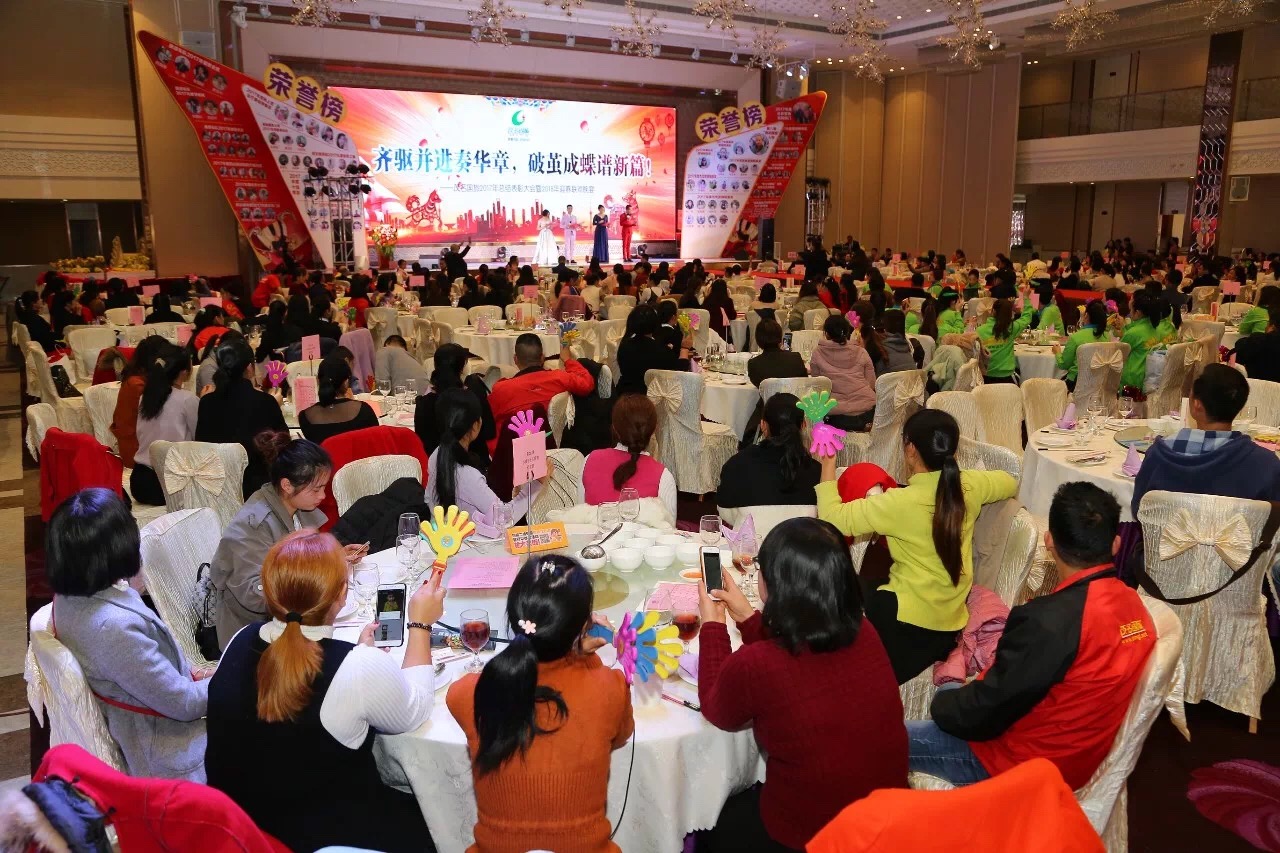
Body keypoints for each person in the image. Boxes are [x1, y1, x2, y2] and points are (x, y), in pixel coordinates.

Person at [911, 482, 1156, 789]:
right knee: (952, 692)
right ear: (1116, 545)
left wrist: (941, 707)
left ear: (1048, 540)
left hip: (1023, 766)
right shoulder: (1136, 605)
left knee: (894, 733)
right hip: (1084, 755)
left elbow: (987, 710)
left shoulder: (1049, 622)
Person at [207, 530, 440, 852]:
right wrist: (420, 625)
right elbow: (417, 708)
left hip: (242, 832)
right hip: (333, 839)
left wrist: (360, 657)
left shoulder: (240, 640)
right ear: (342, 593)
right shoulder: (355, 667)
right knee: (439, 817)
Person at [698, 518, 907, 852]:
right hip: (885, 820)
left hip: (810, 835)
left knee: (711, 821)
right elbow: (801, 653)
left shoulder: (758, 664)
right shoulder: (864, 631)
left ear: (773, 584)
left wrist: (712, 625)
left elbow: (716, 706)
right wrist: (748, 619)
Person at [816, 410, 1018, 683]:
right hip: (951, 622)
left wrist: (828, 463)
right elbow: (1010, 481)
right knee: (864, 589)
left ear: (910, 449)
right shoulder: (970, 485)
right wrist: (970, 478)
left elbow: (832, 519)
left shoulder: (899, 503)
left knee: (837, 594)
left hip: (906, 625)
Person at [446, 556, 630, 853]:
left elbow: (456, 694)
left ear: (513, 617)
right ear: (584, 626)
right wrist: (584, 658)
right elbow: (621, 734)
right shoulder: (611, 687)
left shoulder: (471, 693)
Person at [47, 489, 209, 780]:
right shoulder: (113, 628)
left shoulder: (69, 598)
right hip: (175, 757)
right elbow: (185, 704)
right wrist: (236, 677)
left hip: (156, 724)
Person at [211, 435, 359, 647]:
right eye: (316, 489)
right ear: (287, 485)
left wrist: (333, 558)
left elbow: (299, 561)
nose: (323, 496)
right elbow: (255, 594)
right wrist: (320, 576)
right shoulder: (253, 525)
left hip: (288, 619)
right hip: (254, 633)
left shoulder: (293, 506)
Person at [1133, 363, 1280, 513]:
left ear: (1197, 405)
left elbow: (1139, 509)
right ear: (1239, 406)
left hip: (1167, 529)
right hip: (1235, 529)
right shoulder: (1266, 465)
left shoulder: (1159, 455)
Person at [426, 389, 540, 526]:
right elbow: (503, 518)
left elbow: (428, 498)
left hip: (440, 534)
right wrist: (536, 485)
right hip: (471, 538)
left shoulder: (437, 455)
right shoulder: (468, 475)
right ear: (475, 425)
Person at [195, 338, 288, 499]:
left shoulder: (206, 402)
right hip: (258, 490)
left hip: (216, 487)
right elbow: (283, 444)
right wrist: (275, 405)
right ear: (250, 368)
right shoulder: (265, 402)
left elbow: (201, 444)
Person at [580, 394, 676, 520]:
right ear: (653, 430)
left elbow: (579, 518)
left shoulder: (589, 461)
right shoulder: (663, 477)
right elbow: (668, 529)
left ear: (614, 427)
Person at [717, 394, 821, 508]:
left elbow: (724, 506)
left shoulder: (737, 465)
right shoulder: (818, 472)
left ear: (763, 425)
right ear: (803, 425)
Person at [130, 344, 199, 505]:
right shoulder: (187, 399)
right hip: (169, 482)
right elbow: (200, 437)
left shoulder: (146, 397)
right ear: (184, 372)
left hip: (139, 480)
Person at [415, 343, 494, 466]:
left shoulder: (423, 403)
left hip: (436, 467)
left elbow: (422, 442)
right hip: (474, 465)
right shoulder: (471, 397)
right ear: (462, 368)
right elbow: (490, 431)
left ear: (435, 366)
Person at [487, 334, 595, 423]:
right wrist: (567, 360)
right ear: (542, 357)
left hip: (512, 442)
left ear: (515, 359)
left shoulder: (501, 389)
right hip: (553, 439)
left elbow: (489, 421)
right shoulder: (559, 378)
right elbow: (587, 384)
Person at [110, 335, 172, 470]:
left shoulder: (137, 378)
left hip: (140, 443)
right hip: (137, 452)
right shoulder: (138, 385)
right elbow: (159, 418)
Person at [809, 314, 876, 431]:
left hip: (835, 415)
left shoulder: (817, 353)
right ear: (847, 331)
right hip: (867, 412)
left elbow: (817, 387)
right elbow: (871, 383)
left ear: (826, 333)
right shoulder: (861, 351)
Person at [298, 356, 380, 444]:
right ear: (346, 382)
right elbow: (376, 440)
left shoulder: (305, 417)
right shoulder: (364, 410)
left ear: (318, 381)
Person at [614, 304, 690, 395]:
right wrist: (685, 348)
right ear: (655, 324)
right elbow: (681, 373)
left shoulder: (624, 345)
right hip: (649, 399)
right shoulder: (660, 350)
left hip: (623, 395)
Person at [1119, 291, 1176, 393]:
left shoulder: (1134, 333)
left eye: (1131, 309)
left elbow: (1118, 355)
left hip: (1132, 382)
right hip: (1151, 377)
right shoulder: (1155, 328)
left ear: (1138, 312)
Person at [1053, 299, 1109, 390]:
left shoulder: (1076, 337)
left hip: (1076, 383)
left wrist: (1057, 353)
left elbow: (1064, 364)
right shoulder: (1107, 336)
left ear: (1086, 316)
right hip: (1098, 383)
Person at [976, 294, 1033, 384]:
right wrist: (1026, 298)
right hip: (1008, 378)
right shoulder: (1012, 328)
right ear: (1010, 314)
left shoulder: (980, 330)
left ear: (993, 311)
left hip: (986, 378)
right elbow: (1027, 317)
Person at [747, 318, 808, 388]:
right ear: (780, 337)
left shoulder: (753, 364)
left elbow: (760, 387)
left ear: (758, 340)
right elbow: (805, 382)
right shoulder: (795, 358)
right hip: (794, 395)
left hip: (769, 395)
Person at [1235, 306, 1280, 381]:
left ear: (1272, 326)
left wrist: (1269, 333)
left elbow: (1239, 347)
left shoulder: (1259, 341)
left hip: (1258, 385)